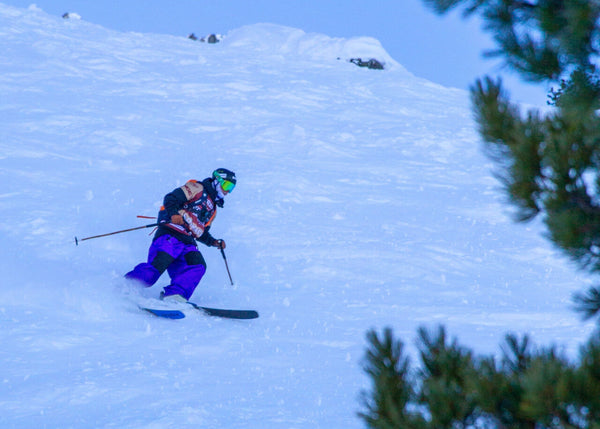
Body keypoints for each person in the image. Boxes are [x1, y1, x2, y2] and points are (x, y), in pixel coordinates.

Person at [125, 168, 236, 302]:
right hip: (171, 232)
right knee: (159, 264)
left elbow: (201, 232)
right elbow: (171, 198)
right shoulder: (197, 188)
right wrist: (173, 214)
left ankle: (174, 296)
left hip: (188, 241)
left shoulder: (213, 210)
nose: (227, 191)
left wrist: (213, 242)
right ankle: (130, 284)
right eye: (226, 185)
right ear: (217, 181)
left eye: (231, 188)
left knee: (197, 266)